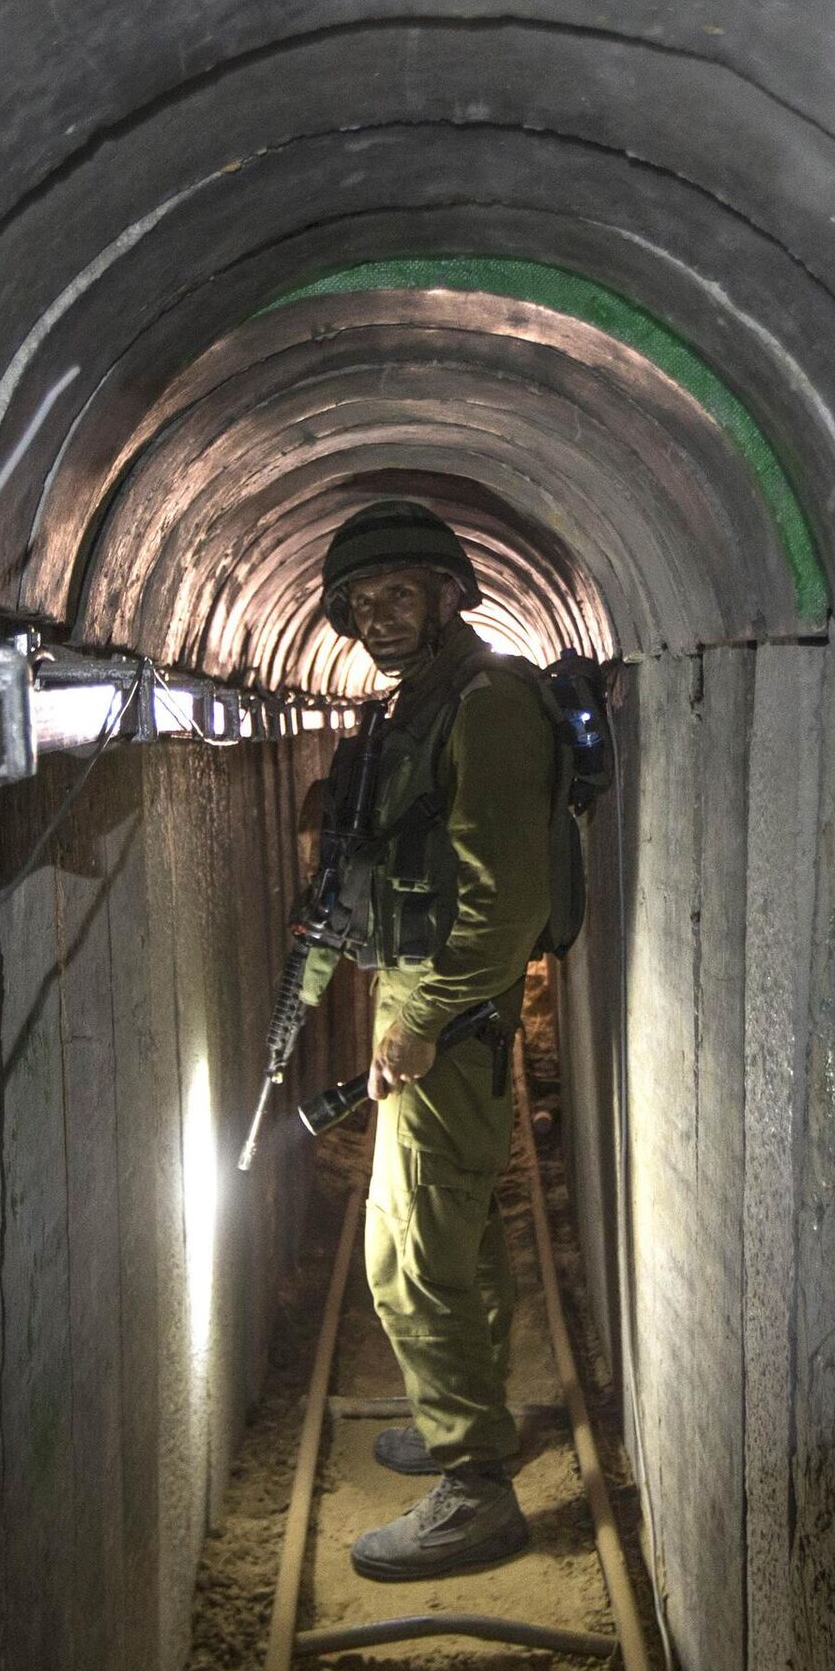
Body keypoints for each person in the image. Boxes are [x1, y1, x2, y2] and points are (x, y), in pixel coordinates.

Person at [318, 499, 556, 1581]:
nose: (379, 617)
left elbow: (507, 903)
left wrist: (421, 1020)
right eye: (361, 603)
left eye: (398, 594)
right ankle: (468, 1420)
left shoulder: (486, 703)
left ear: (449, 593)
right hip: (426, 995)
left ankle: (473, 1487)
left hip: (448, 1007)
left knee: (409, 1257)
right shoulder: (424, 700)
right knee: (445, 1230)